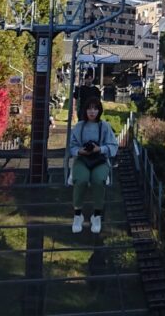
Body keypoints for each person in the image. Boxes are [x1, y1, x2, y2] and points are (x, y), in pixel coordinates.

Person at [68, 96, 118, 233]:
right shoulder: (79, 126)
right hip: (82, 159)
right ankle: (78, 214)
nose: (92, 112)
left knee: (99, 180)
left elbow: (113, 146)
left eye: (95, 109)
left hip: (99, 159)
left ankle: (97, 214)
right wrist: (80, 151)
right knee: (81, 180)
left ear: (99, 111)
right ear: (85, 110)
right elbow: (71, 146)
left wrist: (100, 149)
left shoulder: (105, 126)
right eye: (89, 109)